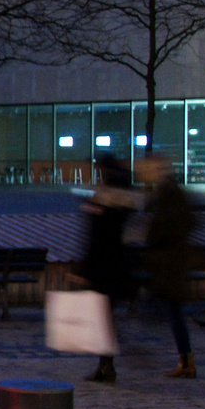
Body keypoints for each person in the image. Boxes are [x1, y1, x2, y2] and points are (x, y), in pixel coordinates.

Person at [75, 154, 139, 383]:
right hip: (119, 264)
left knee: (102, 317)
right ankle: (106, 364)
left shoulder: (103, 199)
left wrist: (84, 270)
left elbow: (95, 237)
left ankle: (107, 364)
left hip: (102, 266)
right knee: (105, 316)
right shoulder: (126, 201)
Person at [139, 156, 198, 378]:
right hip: (172, 261)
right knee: (172, 311)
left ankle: (186, 361)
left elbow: (164, 228)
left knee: (172, 312)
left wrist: (151, 236)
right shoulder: (172, 192)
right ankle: (186, 360)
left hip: (169, 263)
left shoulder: (167, 194)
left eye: (149, 169)